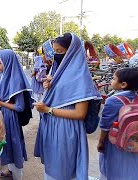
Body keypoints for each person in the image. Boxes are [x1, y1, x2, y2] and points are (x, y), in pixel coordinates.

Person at [33, 33, 101, 180]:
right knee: (53, 167)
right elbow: (60, 95)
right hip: (54, 126)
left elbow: (80, 113)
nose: (56, 56)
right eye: (55, 51)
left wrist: (48, 110)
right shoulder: (60, 71)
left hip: (66, 129)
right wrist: (49, 85)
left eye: (60, 52)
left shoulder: (80, 76)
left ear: (71, 52)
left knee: (63, 170)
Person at [0, 49, 34, 180]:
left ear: (8, 63)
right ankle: (10, 170)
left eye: (0, 63)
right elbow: (2, 95)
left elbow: (19, 106)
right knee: (7, 145)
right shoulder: (4, 76)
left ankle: (18, 175)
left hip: (11, 118)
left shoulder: (16, 80)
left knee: (14, 144)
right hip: (4, 116)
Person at [97, 68, 138, 180]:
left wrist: (101, 142)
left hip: (115, 142)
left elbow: (105, 126)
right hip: (135, 141)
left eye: (114, 79)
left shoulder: (113, 100)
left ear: (123, 84)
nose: (111, 81)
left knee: (113, 166)